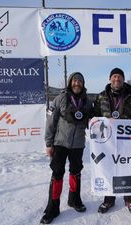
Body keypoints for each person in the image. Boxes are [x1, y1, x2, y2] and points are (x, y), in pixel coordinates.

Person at [40, 72, 94, 224]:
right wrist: (49, 143)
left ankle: (74, 200)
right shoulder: (60, 98)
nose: (77, 83)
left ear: (83, 84)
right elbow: (50, 122)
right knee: (57, 173)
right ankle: (52, 207)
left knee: (76, 172)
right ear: (70, 82)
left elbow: (94, 122)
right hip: (60, 143)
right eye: (75, 80)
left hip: (78, 144)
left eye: (80, 81)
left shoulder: (88, 102)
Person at [93, 68, 131, 214]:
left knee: (127, 169)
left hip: (127, 141)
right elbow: (95, 117)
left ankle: (129, 199)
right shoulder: (101, 97)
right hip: (107, 143)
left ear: (123, 79)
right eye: (114, 76)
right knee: (109, 169)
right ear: (110, 79)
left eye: (119, 77)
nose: (117, 79)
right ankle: (108, 200)